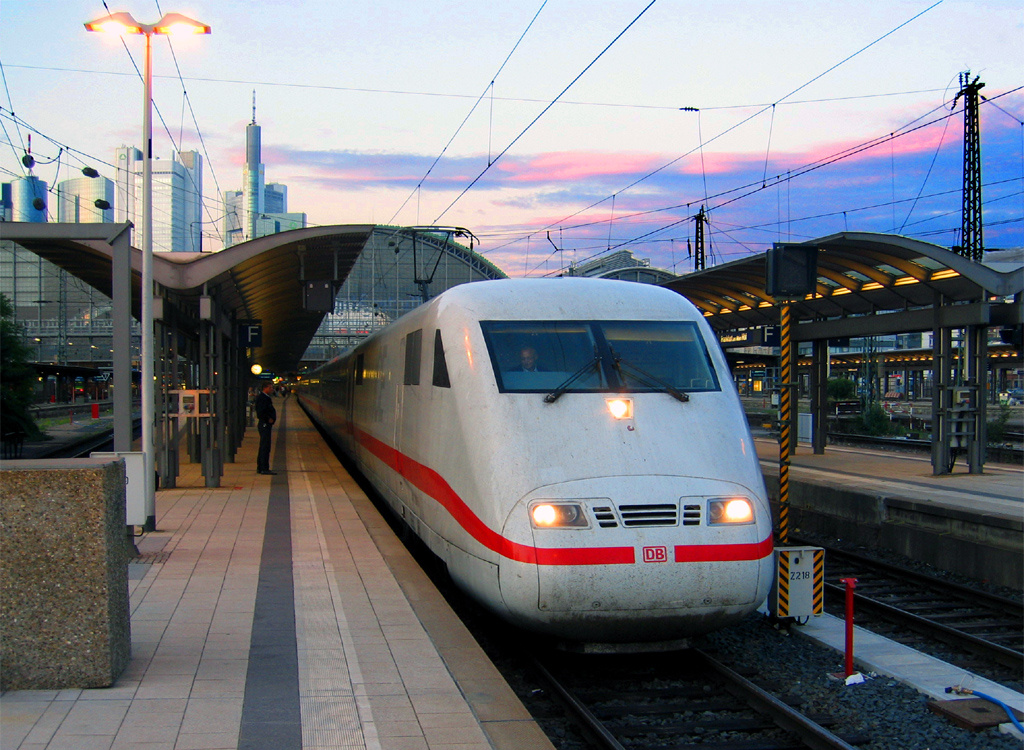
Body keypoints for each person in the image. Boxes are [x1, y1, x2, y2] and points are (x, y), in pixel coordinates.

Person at [254, 382, 277, 475]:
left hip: (265, 424)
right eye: (271, 388)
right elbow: (260, 412)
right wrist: (268, 419)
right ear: (265, 388)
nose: (272, 389)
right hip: (265, 424)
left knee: (264, 446)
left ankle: (261, 467)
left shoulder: (264, 397)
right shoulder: (263, 398)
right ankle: (264, 468)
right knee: (265, 447)